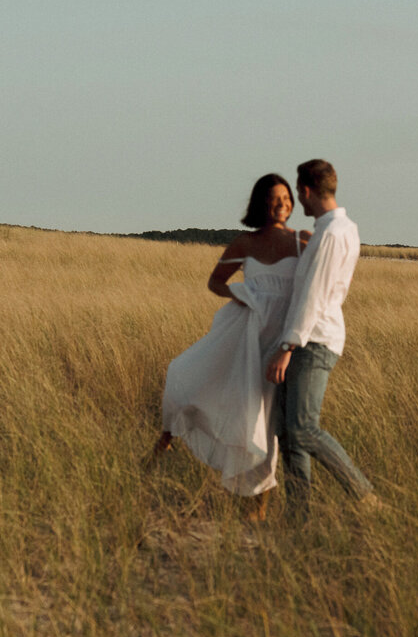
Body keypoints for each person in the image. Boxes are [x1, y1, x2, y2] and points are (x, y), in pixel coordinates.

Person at [157, 174, 306, 513]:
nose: (281, 204)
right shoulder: (245, 243)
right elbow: (215, 282)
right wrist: (242, 295)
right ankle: (167, 436)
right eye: (273, 199)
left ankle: (260, 507)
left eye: (286, 198)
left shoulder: (302, 241)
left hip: (281, 341)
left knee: (267, 421)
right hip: (246, 335)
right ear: (260, 204)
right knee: (185, 376)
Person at [265, 159, 377, 514]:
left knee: (302, 429)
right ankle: (298, 516)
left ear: (308, 191)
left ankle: (364, 495)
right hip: (309, 336)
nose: (299, 200)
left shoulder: (331, 233)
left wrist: (287, 345)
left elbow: (313, 295)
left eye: (299, 192)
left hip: (314, 340)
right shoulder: (344, 228)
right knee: (287, 431)